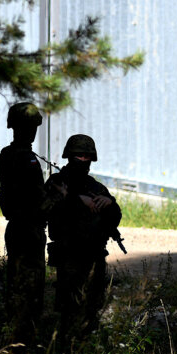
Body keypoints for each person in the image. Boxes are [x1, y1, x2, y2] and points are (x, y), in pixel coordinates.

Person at [44, 133, 122, 341]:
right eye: (80, 156)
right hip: (70, 255)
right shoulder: (57, 183)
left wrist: (110, 204)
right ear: (70, 156)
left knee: (93, 308)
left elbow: (115, 218)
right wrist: (77, 200)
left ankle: (86, 349)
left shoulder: (95, 187)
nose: (84, 160)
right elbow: (49, 208)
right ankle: (66, 350)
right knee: (70, 310)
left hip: (93, 255)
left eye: (88, 156)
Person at [0, 102, 49, 345]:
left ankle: (14, 336)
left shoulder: (7, 155)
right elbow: (37, 202)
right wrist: (58, 196)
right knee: (31, 289)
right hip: (29, 229)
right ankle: (25, 341)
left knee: (16, 283)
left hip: (16, 228)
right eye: (31, 126)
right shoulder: (27, 159)